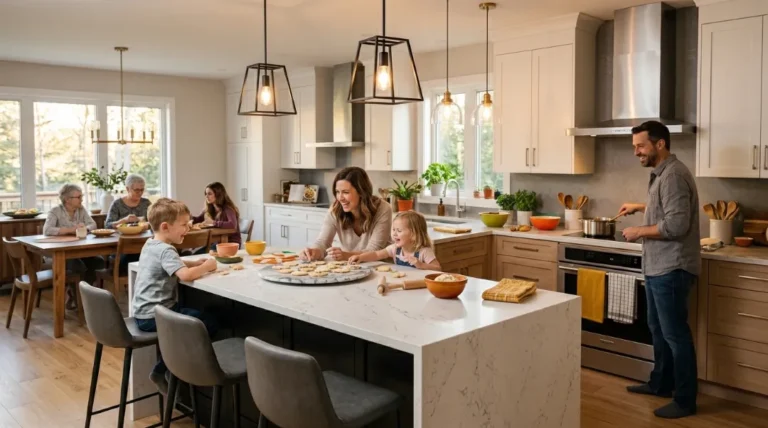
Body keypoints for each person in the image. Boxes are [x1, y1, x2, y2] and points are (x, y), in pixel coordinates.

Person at [617, 120, 700, 419]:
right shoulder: (662, 174)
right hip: (658, 266)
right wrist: (641, 206)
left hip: (672, 267)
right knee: (659, 330)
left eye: (641, 146)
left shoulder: (674, 175)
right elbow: (666, 209)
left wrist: (639, 231)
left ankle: (685, 400)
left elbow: (677, 225)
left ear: (660, 144)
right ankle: (660, 383)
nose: (636, 152)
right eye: (635, 147)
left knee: (675, 335)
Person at [132, 198, 218, 391]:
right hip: (157, 316)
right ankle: (162, 369)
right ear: (165, 226)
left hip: (142, 313)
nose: (187, 229)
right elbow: (185, 276)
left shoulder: (151, 244)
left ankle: (170, 367)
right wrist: (207, 265)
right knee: (206, 324)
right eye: (183, 225)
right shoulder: (166, 250)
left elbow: (171, 264)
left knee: (195, 321)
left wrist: (193, 263)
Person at [300, 167, 392, 261]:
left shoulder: (383, 208)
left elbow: (375, 249)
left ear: (361, 192)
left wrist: (345, 255)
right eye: (337, 192)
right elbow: (323, 242)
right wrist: (314, 251)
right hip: (352, 267)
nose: (340, 198)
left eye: (345, 192)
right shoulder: (335, 210)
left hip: (381, 266)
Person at [43, 184, 105, 308]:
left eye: (81, 196)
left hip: (80, 250)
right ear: (67, 199)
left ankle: (82, 295)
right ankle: (76, 296)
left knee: (98, 262)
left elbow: (93, 225)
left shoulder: (81, 210)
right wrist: (70, 230)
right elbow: (47, 230)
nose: (82, 199)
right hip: (59, 254)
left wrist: (85, 228)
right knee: (78, 266)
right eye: (79, 196)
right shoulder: (56, 211)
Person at [349, 211, 441, 270]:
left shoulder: (424, 252)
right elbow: (376, 254)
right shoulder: (395, 249)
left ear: (413, 235)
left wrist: (421, 265)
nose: (394, 234)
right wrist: (360, 257)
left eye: (399, 231)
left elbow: (438, 268)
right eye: (393, 230)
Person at [105, 173, 152, 271]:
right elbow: (107, 226)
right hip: (122, 248)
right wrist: (124, 220)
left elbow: (155, 222)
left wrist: (146, 225)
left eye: (142, 189)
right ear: (127, 189)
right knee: (133, 258)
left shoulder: (146, 203)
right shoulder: (117, 204)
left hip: (143, 245)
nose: (140, 193)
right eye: (136, 190)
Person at [192, 182, 241, 247]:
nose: (206, 196)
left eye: (209, 194)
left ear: (218, 194)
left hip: (231, 243)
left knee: (196, 253)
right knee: (195, 252)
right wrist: (188, 218)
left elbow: (232, 225)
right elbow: (198, 219)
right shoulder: (210, 207)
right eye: (206, 194)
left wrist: (213, 223)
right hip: (217, 242)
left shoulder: (228, 208)